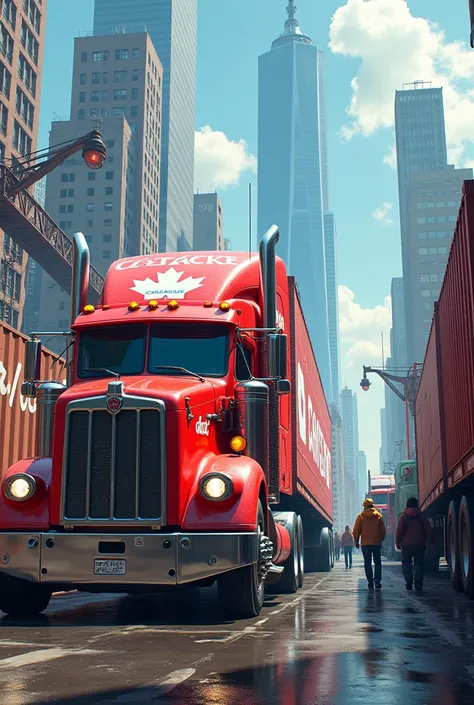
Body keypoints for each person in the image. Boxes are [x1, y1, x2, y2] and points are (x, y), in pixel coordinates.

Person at [396, 496, 433, 592]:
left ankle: (409, 582)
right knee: (419, 563)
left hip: (407, 545)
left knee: (406, 563)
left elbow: (399, 531)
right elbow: (428, 529)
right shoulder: (421, 516)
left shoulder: (404, 516)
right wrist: (430, 539)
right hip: (420, 544)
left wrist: (398, 542)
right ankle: (418, 583)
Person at [353, 498, 386, 590]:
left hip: (365, 544)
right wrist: (381, 539)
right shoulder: (379, 516)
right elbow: (382, 530)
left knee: (367, 563)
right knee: (377, 562)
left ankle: (370, 582)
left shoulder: (360, 517)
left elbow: (356, 530)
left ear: (364, 506)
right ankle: (377, 580)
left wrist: (356, 541)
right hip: (376, 543)